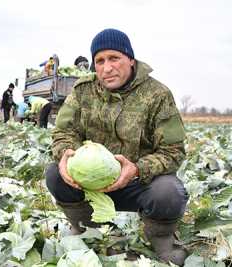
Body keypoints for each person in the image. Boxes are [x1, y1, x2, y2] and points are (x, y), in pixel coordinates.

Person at [45, 29, 189, 266]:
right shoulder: (82, 91)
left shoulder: (157, 95)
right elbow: (63, 133)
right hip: (90, 183)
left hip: (138, 183)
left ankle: (162, 239)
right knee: (54, 174)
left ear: (130, 60)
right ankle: (84, 229)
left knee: (169, 192)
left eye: (114, 58)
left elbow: (173, 152)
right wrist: (65, 154)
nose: (107, 68)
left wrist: (137, 169)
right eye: (99, 61)